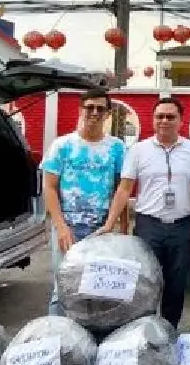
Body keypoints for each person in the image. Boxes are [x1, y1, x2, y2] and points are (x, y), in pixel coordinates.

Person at [103, 97, 190, 329]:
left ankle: (169, 332)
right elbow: (124, 188)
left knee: (176, 286)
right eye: (160, 116)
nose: (165, 121)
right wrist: (110, 224)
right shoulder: (138, 151)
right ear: (153, 120)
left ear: (181, 120)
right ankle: (144, 334)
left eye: (170, 117)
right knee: (145, 282)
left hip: (182, 226)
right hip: (149, 226)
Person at [40, 89, 126, 316]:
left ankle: (88, 340)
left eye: (100, 108)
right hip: (68, 228)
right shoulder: (62, 145)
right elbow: (49, 188)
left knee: (98, 289)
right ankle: (57, 340)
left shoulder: (117, 148)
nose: (94, 113)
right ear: (81, 110)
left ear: (108, 114)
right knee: (64, 289)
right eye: (89, 107)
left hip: (102, 231)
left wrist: (122, 229)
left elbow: (121, 189)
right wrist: (60, 227)